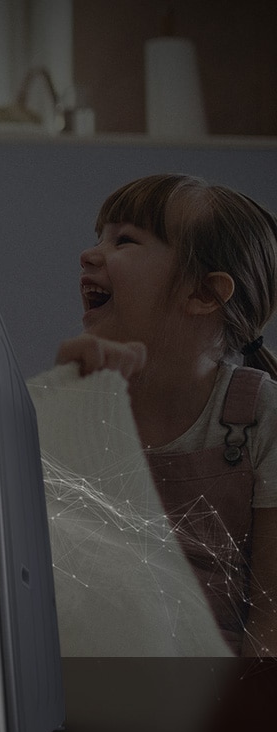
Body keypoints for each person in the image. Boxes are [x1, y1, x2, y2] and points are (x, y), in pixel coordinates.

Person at [55, 173, 277, 657]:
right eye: (99, 237)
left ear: (203, 294)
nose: (89, 254)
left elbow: (271, 620)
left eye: (125, 240)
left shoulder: (261, 416)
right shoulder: (80, 403)